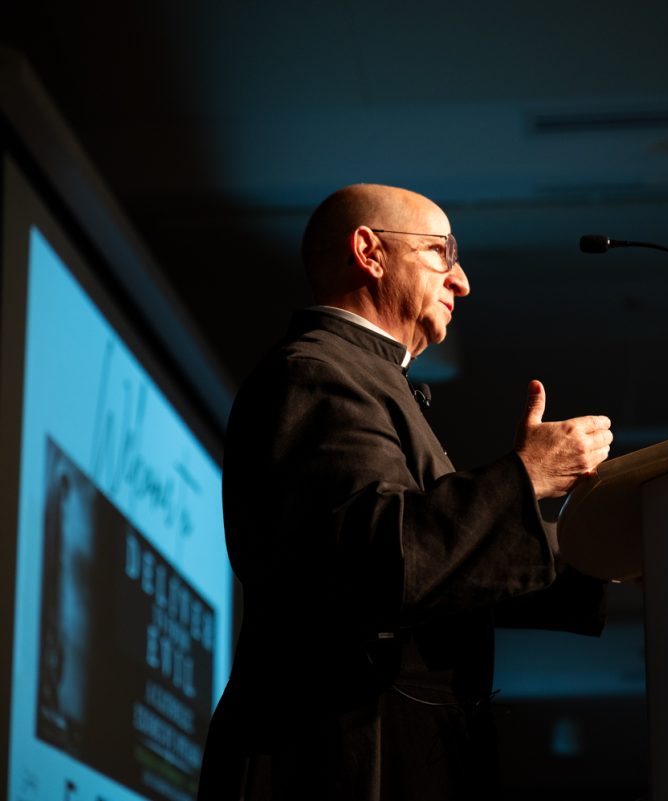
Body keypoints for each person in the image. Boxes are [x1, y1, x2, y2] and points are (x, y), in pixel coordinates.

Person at [197, 183, 614, 800]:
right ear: (369, 251)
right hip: (338, 762)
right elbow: (380, 560)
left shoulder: (361, 376)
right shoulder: (317, 373)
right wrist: (525, 477)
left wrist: (610, 549)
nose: (462, 281)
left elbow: (443, 570)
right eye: (442, 252)